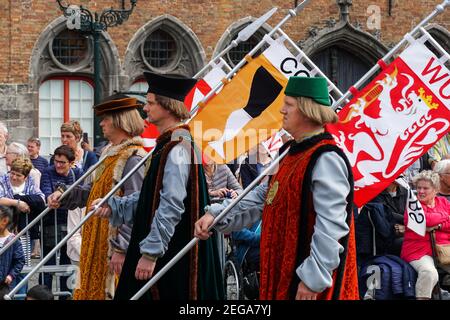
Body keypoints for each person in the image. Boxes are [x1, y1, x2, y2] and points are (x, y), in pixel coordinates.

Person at [195, 76, 359, 300]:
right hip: (283, 272)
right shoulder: (289, 152)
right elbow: (265, 196)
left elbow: (331, 227)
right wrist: (218, 214)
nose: (282, 110)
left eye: (289, 104)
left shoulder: (326, 158)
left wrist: (313, 278)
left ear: (307, 110)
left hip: (308, 284)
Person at [92, 72, 224, 300]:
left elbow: (171, 204)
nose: (145, 108)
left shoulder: (178, 147)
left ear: (167, 106)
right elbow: (151, 196)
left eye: (151, 103)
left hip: (170, 255)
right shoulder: (169, 144)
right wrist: (115, 206)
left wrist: (151, 253)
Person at [47, 95, 147, 300]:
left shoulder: (133, 158)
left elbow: (135, 206)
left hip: (112, 244)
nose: (101, 123)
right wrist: (63, 195)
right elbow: (90, 192)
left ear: (120, 121)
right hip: (95, 237)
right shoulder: (108, 154)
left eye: (106, 119)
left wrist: (121, 248)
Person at [39, 145, 83, 298]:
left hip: (72, 223)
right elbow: (46, 192)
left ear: (71, 163)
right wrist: (52, 197)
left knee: (68, 265)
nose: (58, 165)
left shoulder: (78, 172)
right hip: (51, 222)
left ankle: (67, 296)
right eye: (56, 161)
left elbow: (80, 191)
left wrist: (62, 197)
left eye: (62, 162)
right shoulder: (48, 172)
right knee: (48, 265)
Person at [401, 170, 450, 300]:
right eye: (418, 188)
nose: (421, 191)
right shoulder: (413, 205)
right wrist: (445, 216)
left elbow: (434, 223)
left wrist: (438, 225)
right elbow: (426, 220)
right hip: (418, 251)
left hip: (444, 249)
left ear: (435, 189)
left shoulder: (443, 202)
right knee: (429, 273)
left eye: (425, 188)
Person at [0, 205, 25, 295]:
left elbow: (20, 260)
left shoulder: (14, 240)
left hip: (4, 285)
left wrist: (11, 275)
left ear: (4, 221)